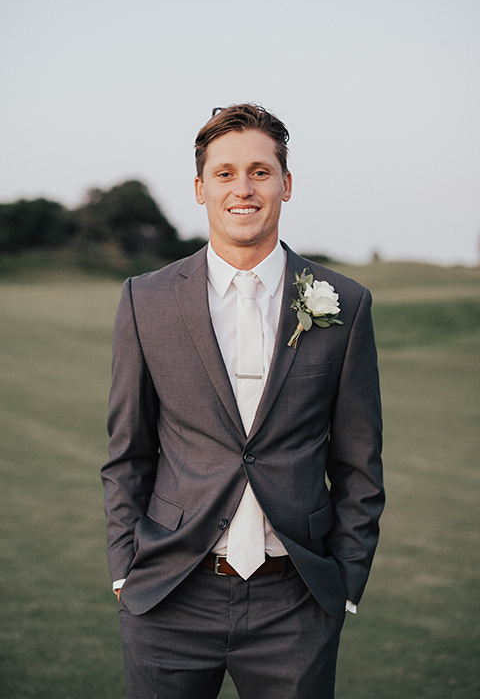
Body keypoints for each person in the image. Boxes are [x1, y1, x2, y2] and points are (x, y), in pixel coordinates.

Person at [101, 103, 384, 699]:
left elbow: (359, 462)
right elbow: (128, 451)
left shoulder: (344, 303)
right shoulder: (144, 301)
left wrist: (345, 581)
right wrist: (126, 570)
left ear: (286, 182)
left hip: (295, 604)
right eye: (225, 173)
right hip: (170, 597)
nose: (243, 188)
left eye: (260, 171)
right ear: (200, 188)